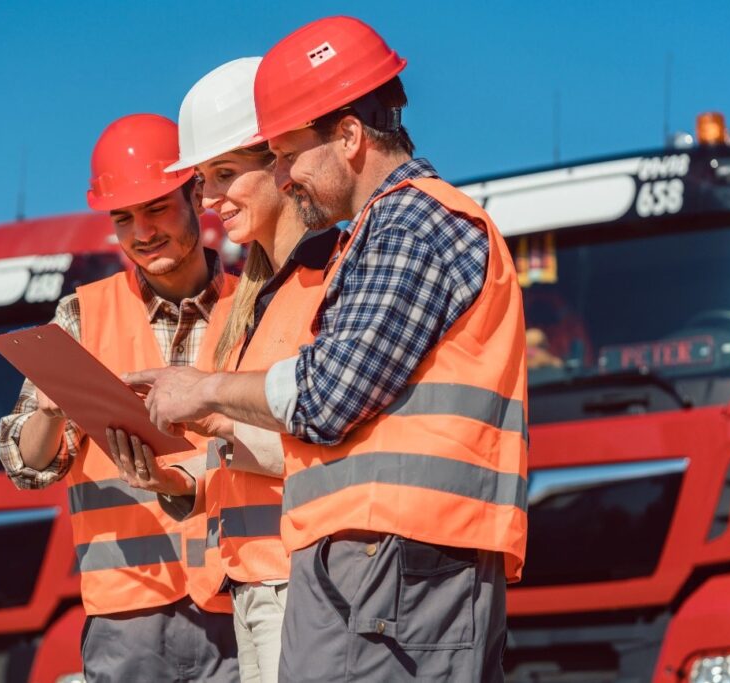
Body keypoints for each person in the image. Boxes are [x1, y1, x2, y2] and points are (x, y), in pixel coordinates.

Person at [128, 16, 529, 682]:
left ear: (347, 136)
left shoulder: (414, 224)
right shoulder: (379, 232)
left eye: (286, 154)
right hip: (381, 568)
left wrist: (205, 390)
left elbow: (326, 394)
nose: (282, 176)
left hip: (399, 568)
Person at [110, 58, 339, 683]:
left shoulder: (328, 280)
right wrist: (181, 484)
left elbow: (337, 432)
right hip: (252, 581)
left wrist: (213, 407)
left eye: (224, 174)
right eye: (204, 178)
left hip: (309, 581)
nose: (209, 199)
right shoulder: (256, 299)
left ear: (284, 161)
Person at [0, 113, 238, 682]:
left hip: (241, 591)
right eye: (124, 217)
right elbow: (27, 467)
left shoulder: (254, 301)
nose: (142, 232)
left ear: (195, 193)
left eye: (157, 208)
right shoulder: (82, 314)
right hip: (130, 609)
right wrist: (52, 416)